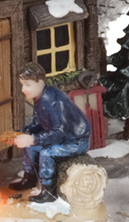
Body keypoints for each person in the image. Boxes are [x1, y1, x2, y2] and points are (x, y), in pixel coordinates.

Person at [14, 62, 94, 205]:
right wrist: (24, 132)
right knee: (30, 147)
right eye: (22, 85)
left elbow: (60, 132)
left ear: (40, 82)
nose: (23, 89)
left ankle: (49, 192)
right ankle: (29, 179)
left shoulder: (53, 99)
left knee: (47, 153)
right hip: (60, 136)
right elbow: (39, 123)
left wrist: (33, 139)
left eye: (27, 85)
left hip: (75, 140)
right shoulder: (39, 98)